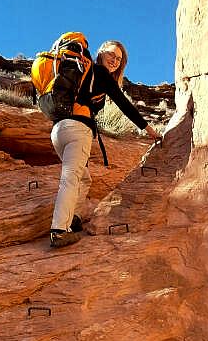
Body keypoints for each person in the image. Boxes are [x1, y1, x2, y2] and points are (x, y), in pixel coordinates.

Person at [49, 39, 161, 248]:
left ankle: (72, 218)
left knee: (83, 179)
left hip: (58, 131)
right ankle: (59, 230)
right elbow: (124, 104)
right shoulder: (99, 73)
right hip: (78, 130)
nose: (114, 61)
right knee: (71, 179)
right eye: (111, 55)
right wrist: (148, 129)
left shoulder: (83, 72)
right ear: (100, 53)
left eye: (119, 59)